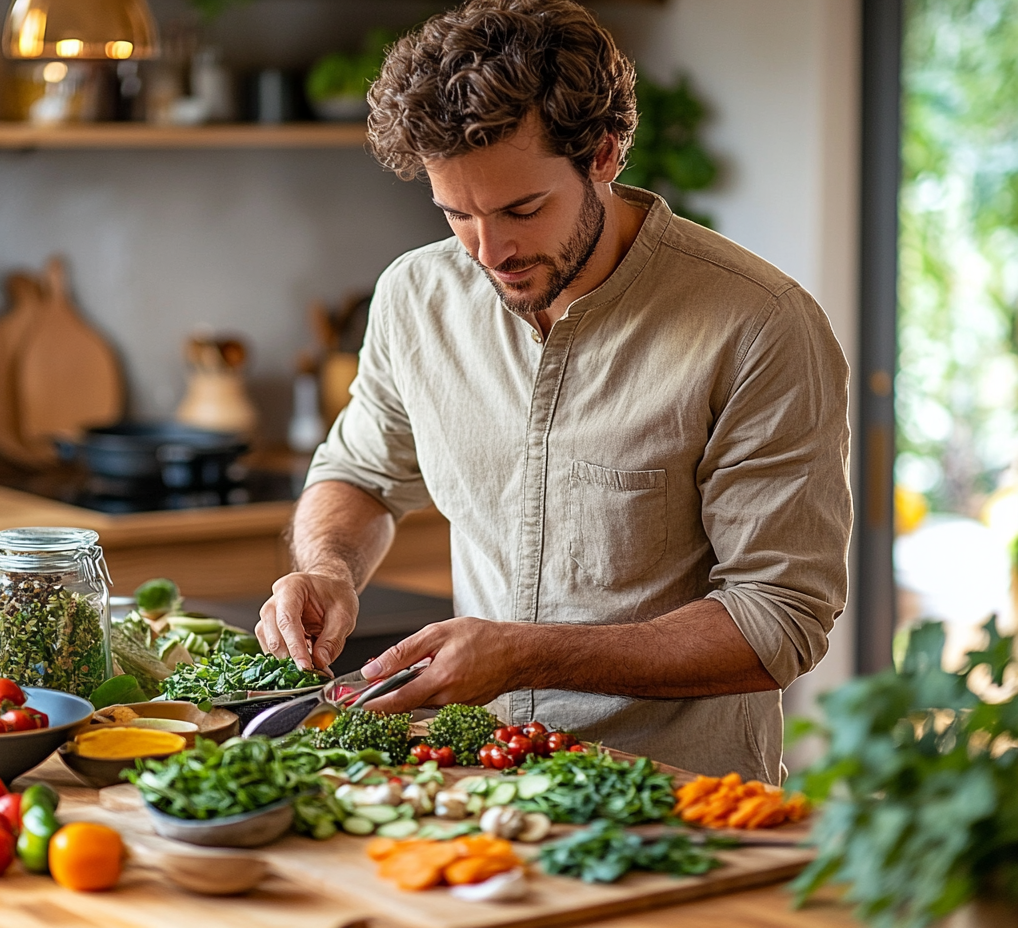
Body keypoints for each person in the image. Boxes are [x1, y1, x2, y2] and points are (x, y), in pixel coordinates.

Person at [255, 0, 851, 781]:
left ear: (603, 155)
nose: (490, 251)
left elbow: (779, 621)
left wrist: (527, 655)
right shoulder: (415, 295)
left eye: (522, 209)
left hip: (680, 808)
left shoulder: (759, 326)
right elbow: (361, 474)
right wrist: (330, 567)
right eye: (456, 213)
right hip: (479, 785)